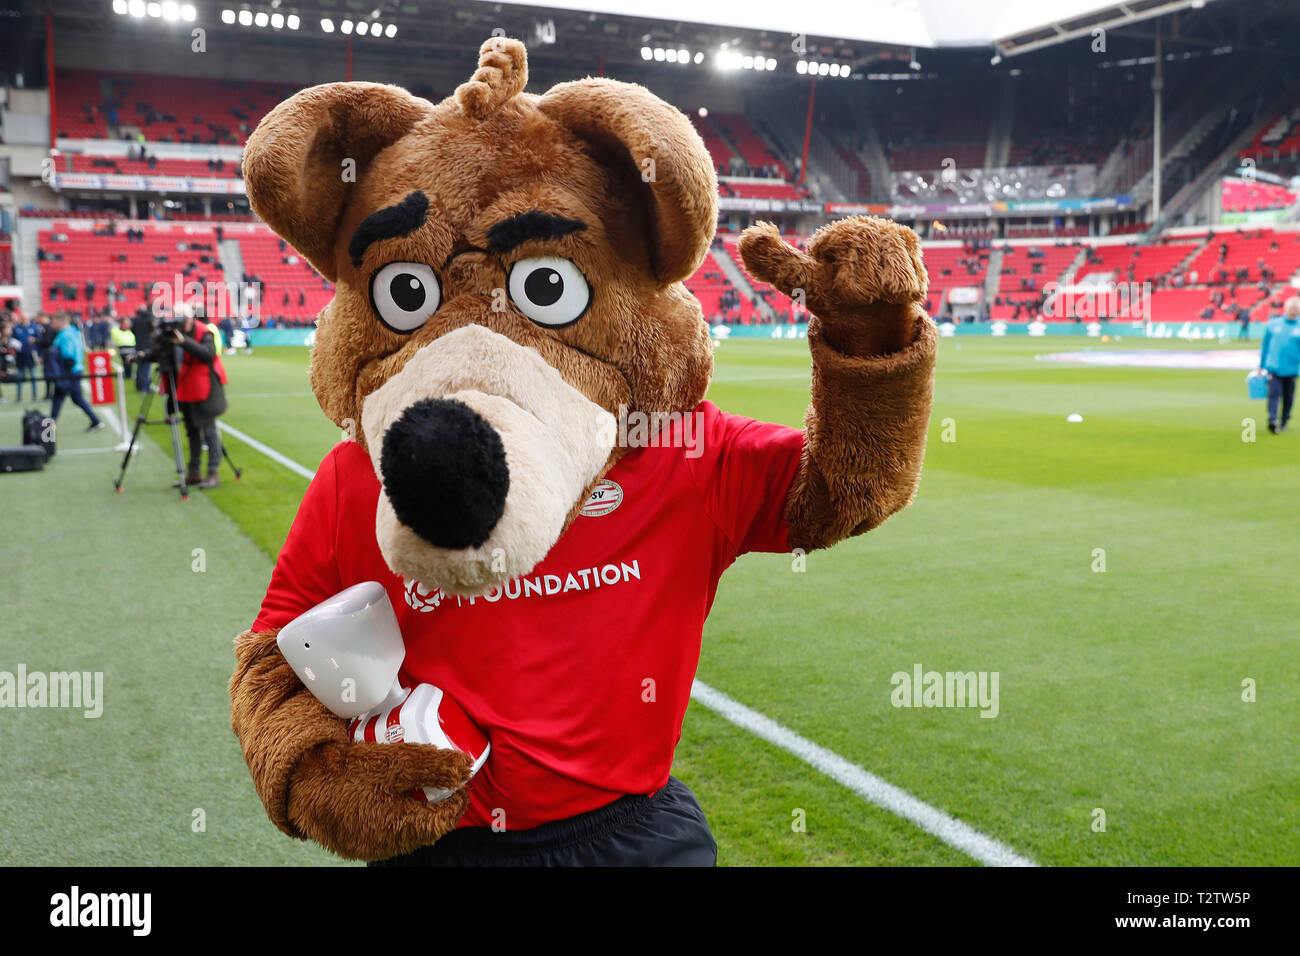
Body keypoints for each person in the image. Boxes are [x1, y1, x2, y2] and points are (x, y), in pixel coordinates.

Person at [159, 312, 228, 488]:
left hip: (205, 390)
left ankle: (213, 473)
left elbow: (207, 354)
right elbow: (162, 355)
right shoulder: (173, 333)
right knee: (192, 432)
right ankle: (194, 472)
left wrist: (184, 342)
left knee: (210, 432)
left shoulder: (204, 332)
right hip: (185, 389)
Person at [47, 313, 104, 432]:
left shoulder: (65, 334)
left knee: (64, 398)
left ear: (59, 320)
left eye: (53, 321)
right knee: (67, 398)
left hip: (68, 372)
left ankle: (50, 427)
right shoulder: (73, 331)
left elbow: (67, 355)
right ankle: (95, 420)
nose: (52, 324)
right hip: (74, 370)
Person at [1259, 296, 1300, 435]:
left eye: (1296, 307)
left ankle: (1284, 420)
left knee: (1288, 397)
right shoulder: (1273, 324)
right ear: (1286, 308)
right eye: (1291, 307)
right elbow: (1265, 345)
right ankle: (1272, 419)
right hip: (1274, 367)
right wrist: (1261, 365)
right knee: (1274, 393)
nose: (1293, 310)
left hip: (1292, 369)